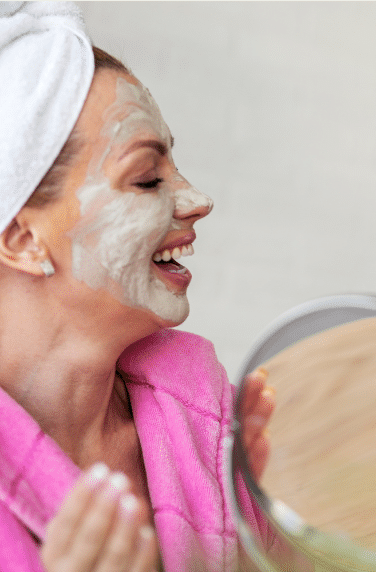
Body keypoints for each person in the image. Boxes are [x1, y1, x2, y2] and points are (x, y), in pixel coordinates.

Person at [0, 3, 292, 570]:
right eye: (147, 178)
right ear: (23, 240)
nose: (197, 200)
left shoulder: (211, 429)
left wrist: (266, 545)